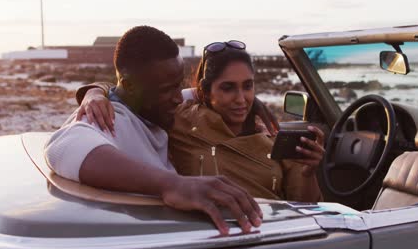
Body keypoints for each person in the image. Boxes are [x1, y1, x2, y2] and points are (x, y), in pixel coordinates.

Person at [45, 26, 263, 236]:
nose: (178, 97)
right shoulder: (108, 118)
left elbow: (196, 94)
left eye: (179, 84)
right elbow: (64, 147)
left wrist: (251, 103)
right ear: (129, 86)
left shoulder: (152, 105)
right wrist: (172, 184)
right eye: (168, 89)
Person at [76, 40, 324, 202]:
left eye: (248, 87)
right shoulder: (179, 119)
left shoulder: (274, 141)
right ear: (205, 91)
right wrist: (94, 91)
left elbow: (305, 209)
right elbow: (133, 95)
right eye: (228, 88)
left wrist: (309, 171)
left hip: (275, 236)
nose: (241, 99)